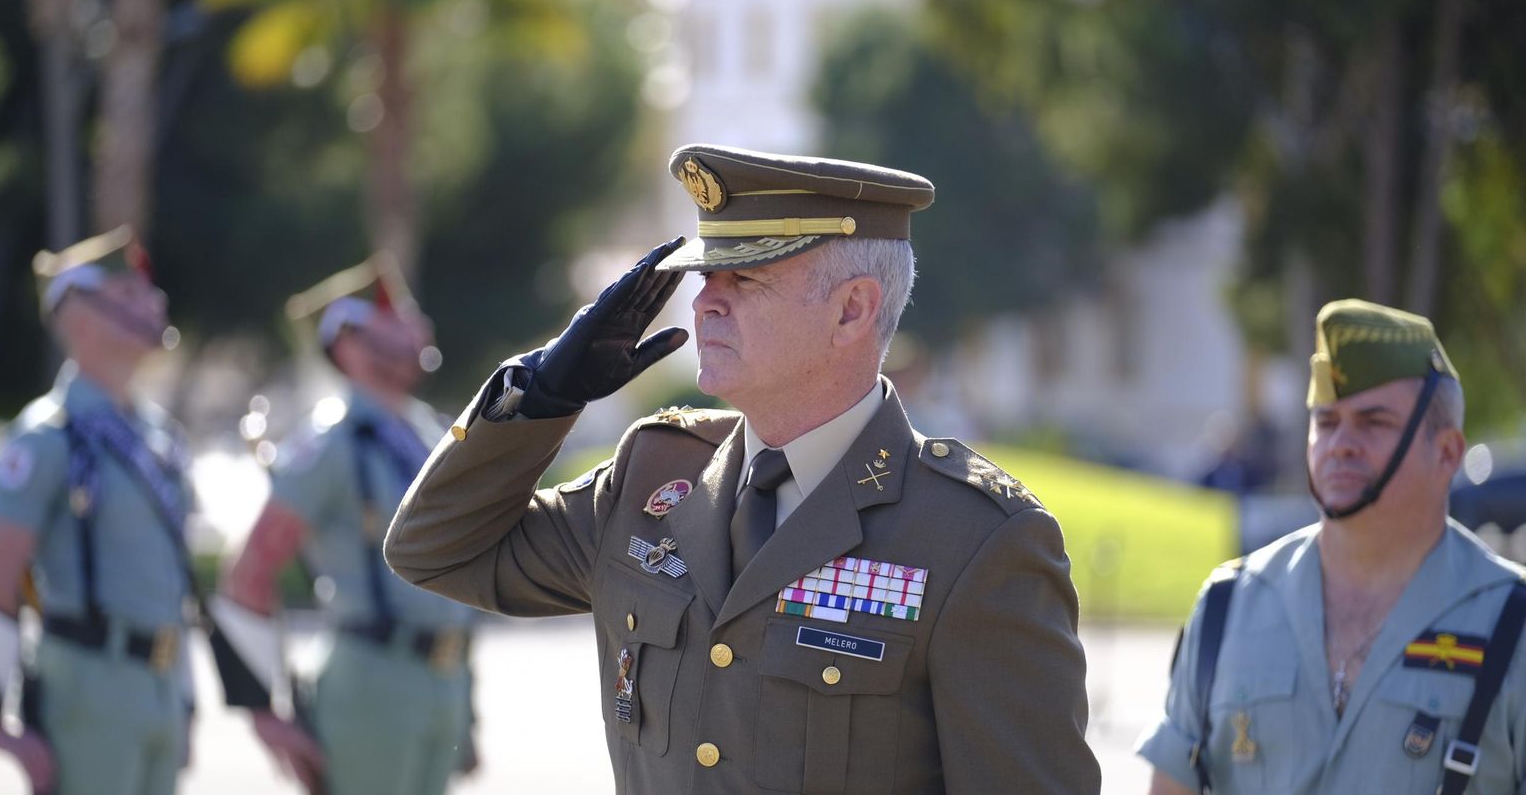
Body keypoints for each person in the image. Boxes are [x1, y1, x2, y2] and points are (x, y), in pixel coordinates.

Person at [384, 143, 1100, 793]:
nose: (704, 301)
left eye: (745, 277)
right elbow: (436, 548)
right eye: (704, 275)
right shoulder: (651, 476)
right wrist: (540, 394)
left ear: (853, 310)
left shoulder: (974, 541)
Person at [1138, 299, 1526, 794]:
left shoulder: (1511, 624)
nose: (1341, 443)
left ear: (1447, 452)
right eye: (1326, 422)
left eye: (1373, 423)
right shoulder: (1228, 605)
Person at [219, 255, 479, 795]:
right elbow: (248, 572)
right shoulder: (331, 444)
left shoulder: (424, 429)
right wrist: (262, 711)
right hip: (372, 684)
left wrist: (465, 702)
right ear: (349, 343)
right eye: (394, 314)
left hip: (441, 683)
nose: (416, 324)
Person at [0, 227, 194, 794]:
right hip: (88, 686)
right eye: (129, 295)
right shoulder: (46, 437)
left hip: (158, 689)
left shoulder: (157, 435)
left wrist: (184, 698)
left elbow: (168, 584)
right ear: (80, 317)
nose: (154, 303)